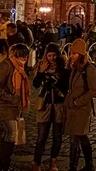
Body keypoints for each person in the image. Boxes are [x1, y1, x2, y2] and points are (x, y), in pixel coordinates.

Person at [0, 43, 31, 171]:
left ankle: (2, 165)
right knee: (12, 133)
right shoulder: (6, 65)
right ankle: (4, 165)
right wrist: (10, 98)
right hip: (5, 104)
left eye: (25, 56)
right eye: (21, 56)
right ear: (15, 54)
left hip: (15, 105)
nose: (24, 59)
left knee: (8, 133)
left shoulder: (19, 67)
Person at [64, 39, 96, 171]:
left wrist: (78, 101)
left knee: (77, 136)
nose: (71, 56)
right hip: (72, 108)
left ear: (80, 54)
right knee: (78, 136)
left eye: (74, 53)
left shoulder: (89, 69)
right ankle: (84, 164)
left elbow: (93, 90)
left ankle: (77, 166)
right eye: (71, 53)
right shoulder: (74, 68)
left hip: (82, 108)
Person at [32, 43, 69, 171]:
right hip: (45, 105)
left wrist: (57, 82)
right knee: (41, 136)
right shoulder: (41, 67)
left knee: (57, 136)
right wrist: (41, 72)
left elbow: (66, 87)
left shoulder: (63, 69)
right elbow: (36, 84)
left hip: (59, 105)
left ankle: (53, 162)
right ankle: (36, 162)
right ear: (46, 55)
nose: (52, 58)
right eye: (49, 55)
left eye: (54, 55)